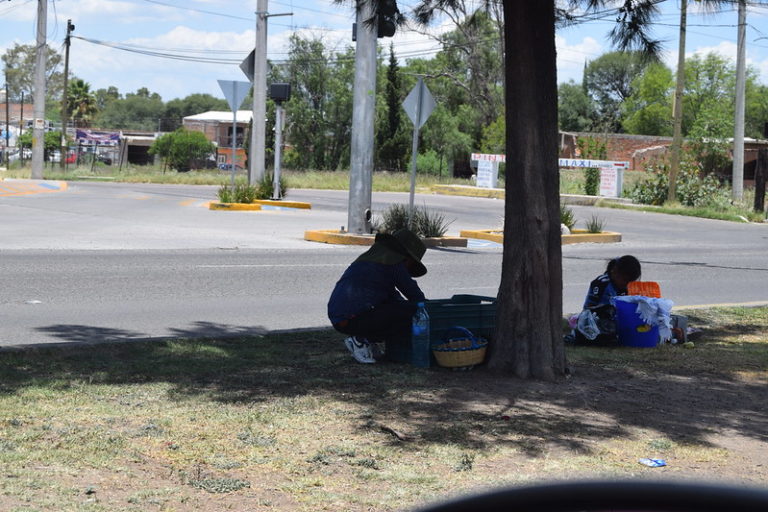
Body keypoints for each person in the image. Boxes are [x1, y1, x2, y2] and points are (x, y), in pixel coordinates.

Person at [328, 228, 427, 364]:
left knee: (398, 309)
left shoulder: (373, 260)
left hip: (340, 317)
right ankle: (361, 340)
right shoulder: (394, 263)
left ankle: (365, 340)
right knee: (410, 313)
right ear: (407, 257)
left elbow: (392, 296)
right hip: (351, 317)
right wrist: (430, 309)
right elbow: (414, 295)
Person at [569, 255, 642, 344]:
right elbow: (589, 309)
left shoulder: (626, 286)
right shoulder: (601, 284)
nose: (627, 285)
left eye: (631, 282)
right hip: (597, 320)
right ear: (615, 272)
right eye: (625, 280)